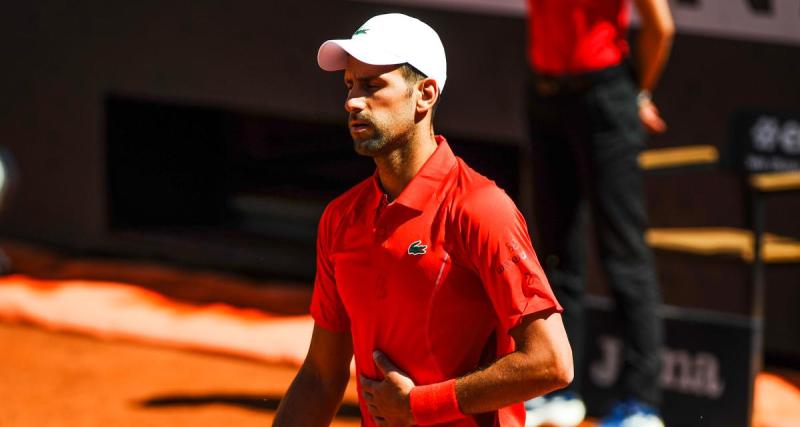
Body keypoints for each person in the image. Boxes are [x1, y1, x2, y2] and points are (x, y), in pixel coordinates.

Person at [273, 13, 573, 427]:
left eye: (372, 85)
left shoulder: (481, 209)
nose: (352, 101)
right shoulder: (340, 219)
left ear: (425, 94)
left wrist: (420, 405)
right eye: (349, 85)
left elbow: (552, 362)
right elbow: (322, 376)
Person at [522, 1, 674, 427]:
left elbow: (660, 27)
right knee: (555, 252)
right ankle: (559, 390)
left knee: (623, 254)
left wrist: (634, 94)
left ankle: (642, 403)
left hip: (605, 96)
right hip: (544, 93)